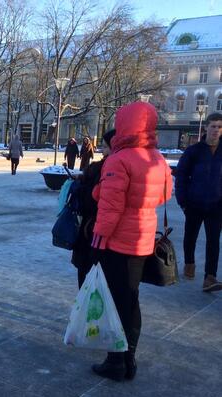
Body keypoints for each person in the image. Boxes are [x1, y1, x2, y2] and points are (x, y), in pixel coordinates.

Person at [90, 101, 172, 382]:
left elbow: (111, 208)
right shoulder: (157, 158)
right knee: (131, 299)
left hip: (117, 243)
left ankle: (116, 361)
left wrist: (98, 238)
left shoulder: (119, 159)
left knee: (116, 303)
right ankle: (129, 359)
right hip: (143, 240)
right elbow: (164, 196)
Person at [175, 112, 222, 292]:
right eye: (213, 126)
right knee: (190, 237)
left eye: (219, 127)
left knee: (213, 241)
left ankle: (210, 277)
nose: (216, 130)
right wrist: (183, 201)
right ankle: (189, 264)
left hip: (216, 205)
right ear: (206, 128)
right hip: (194, 203)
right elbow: (181, 176)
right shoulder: (194, 151)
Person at [71, 129, 116, 287]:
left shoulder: (106, 169)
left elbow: (90, 200)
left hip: (94, 230)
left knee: (88, 275)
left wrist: (81, 186)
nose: (102, 151)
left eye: (105, 147)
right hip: (118, 238)